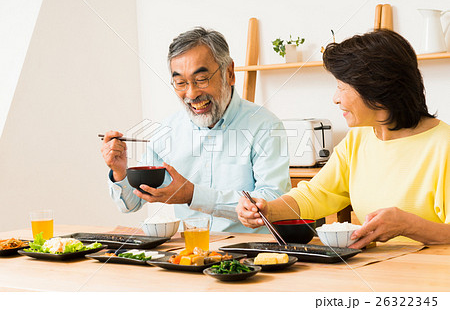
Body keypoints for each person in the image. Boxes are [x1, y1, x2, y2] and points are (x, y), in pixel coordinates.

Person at [236, 29, 450, 247]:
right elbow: (318, 193)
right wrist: (268, 209)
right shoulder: (359, 138)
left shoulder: (444, 145)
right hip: (377, 272)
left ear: (376, 89)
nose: (335, 98)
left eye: (341, 87)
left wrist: (408, 225)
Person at [101, 27, 291, 233]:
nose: (191, 93)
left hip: (250, 253)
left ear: (229, 73)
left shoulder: (265, 125)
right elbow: (130, 204)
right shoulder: (168, 130)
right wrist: (120, 171)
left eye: (201, 80)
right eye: (180, 82)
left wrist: (193, 195)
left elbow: (271, 202)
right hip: (189, 254)